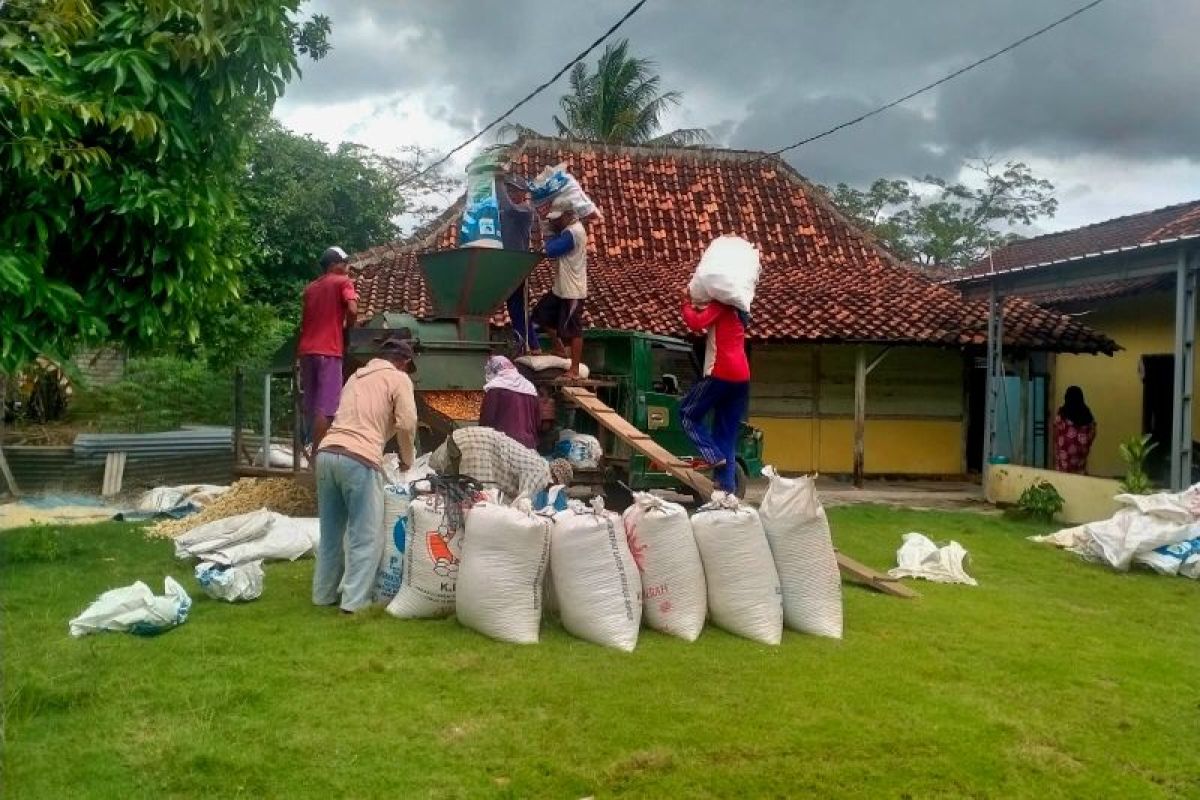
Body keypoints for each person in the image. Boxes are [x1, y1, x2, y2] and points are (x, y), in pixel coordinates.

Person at [313, 338, 417, 613]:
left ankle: (323, 595)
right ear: (403, 362)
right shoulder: (398, 379)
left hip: (326, 454)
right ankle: (354, 603)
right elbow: (407, 424)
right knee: (366, 534)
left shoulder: (354, 378)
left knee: (331, 532)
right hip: (358, 458)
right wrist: (408, 460)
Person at [678, 294, 751, 493]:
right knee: (725, 433)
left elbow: (695, 323)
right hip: (742, 378)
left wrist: (685, 304)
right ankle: (726, 487)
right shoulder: (740, 312)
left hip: (720, 372)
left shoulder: (722, 305)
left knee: (687, 414)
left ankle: (712, 455)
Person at [298, 246, 359, 454]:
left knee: (311, 404)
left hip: (307, 352)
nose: (346, 267)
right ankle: (318, 456)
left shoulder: (310, 288)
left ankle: (306, 450)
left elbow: (304, 321)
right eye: (344, 263)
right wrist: (349, 327)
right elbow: (352, 309)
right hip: (329, 351)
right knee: (327, 407)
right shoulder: (343, 282)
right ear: (334, 265)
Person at [428, 426, 570, 502]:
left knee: (460, 492)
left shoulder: (536, 461)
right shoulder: (542, 473)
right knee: (477, 500)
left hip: (466, 438)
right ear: (556, 481)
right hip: (477, 446)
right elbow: (523, 502)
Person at [532, 203, 588, 377]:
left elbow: (551, 250)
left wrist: (546, 232)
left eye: (556, 219)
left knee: (574, 329)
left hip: (573, 290)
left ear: (567, 216)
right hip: (560, 287)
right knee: (541, 314)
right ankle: (559, 349)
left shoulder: (573, 233)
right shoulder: (567, 230)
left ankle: (575, 369)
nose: (554, 222)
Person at [498, 176, 539, 353]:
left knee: (520, 308)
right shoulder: (503, 212)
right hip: (505, 263)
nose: (512, 193)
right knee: (513, 308)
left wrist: (498, 182)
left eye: (515, 190)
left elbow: (509, 207)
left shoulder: (525, 210)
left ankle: (534, 346)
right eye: (510, 190)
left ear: (524, 194)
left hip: (518, 263)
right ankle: (523, 344)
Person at [479, 355, 540, 449]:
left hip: (504, 446)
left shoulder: (495, 389)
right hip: (528, 445)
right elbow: (537, 422)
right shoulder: (530, 388)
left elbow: (487, 420)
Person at [1054, 385, 1097, 474]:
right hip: (1080, 471)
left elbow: (1055, 435)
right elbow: (1092, 434)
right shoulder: (1088, 418)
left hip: (1062, 471)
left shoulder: (1061, 417)